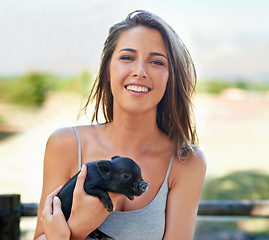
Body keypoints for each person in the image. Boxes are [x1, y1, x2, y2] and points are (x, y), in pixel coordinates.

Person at [34, 10, 206, 240]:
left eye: (156, 62)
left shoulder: (186, 161)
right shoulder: (65, 144)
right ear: (107, 70)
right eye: (127, 58)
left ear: (170, 77)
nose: (140, 71)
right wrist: (80, 227)